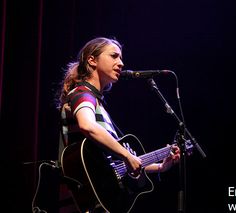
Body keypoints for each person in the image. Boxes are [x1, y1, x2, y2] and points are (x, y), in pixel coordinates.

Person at [56, 37, 180, 213]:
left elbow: (115, 165)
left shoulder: (99, 105)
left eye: (121, 58)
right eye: (114, 56)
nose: (121, 63)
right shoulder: (83, 94)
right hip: (81, 199)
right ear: (92, 60)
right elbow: (87, 125)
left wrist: (161, 166)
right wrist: (126, 155)